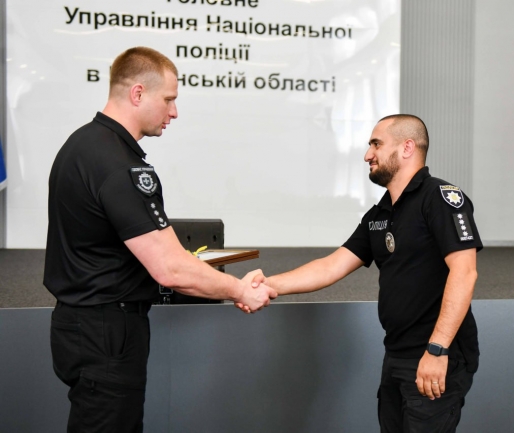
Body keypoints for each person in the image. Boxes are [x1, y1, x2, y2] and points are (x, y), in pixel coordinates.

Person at [44, 46, 276, 433]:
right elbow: (169, 268)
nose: (174, 112)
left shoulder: (82, 145)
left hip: (82, 326)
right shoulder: (118, 164)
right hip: (106, 332)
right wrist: (240, 290)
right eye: (168, 99)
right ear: (138, 93)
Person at [244, 114, 481, 432]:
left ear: (407, 147)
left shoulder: (441, 198)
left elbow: (465, 274)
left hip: (436, 354)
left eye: (376, 144)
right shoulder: (380, 212)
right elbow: (332, 265)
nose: (368, 154)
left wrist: (437, 350)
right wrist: (268, 284)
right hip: (397, 352)